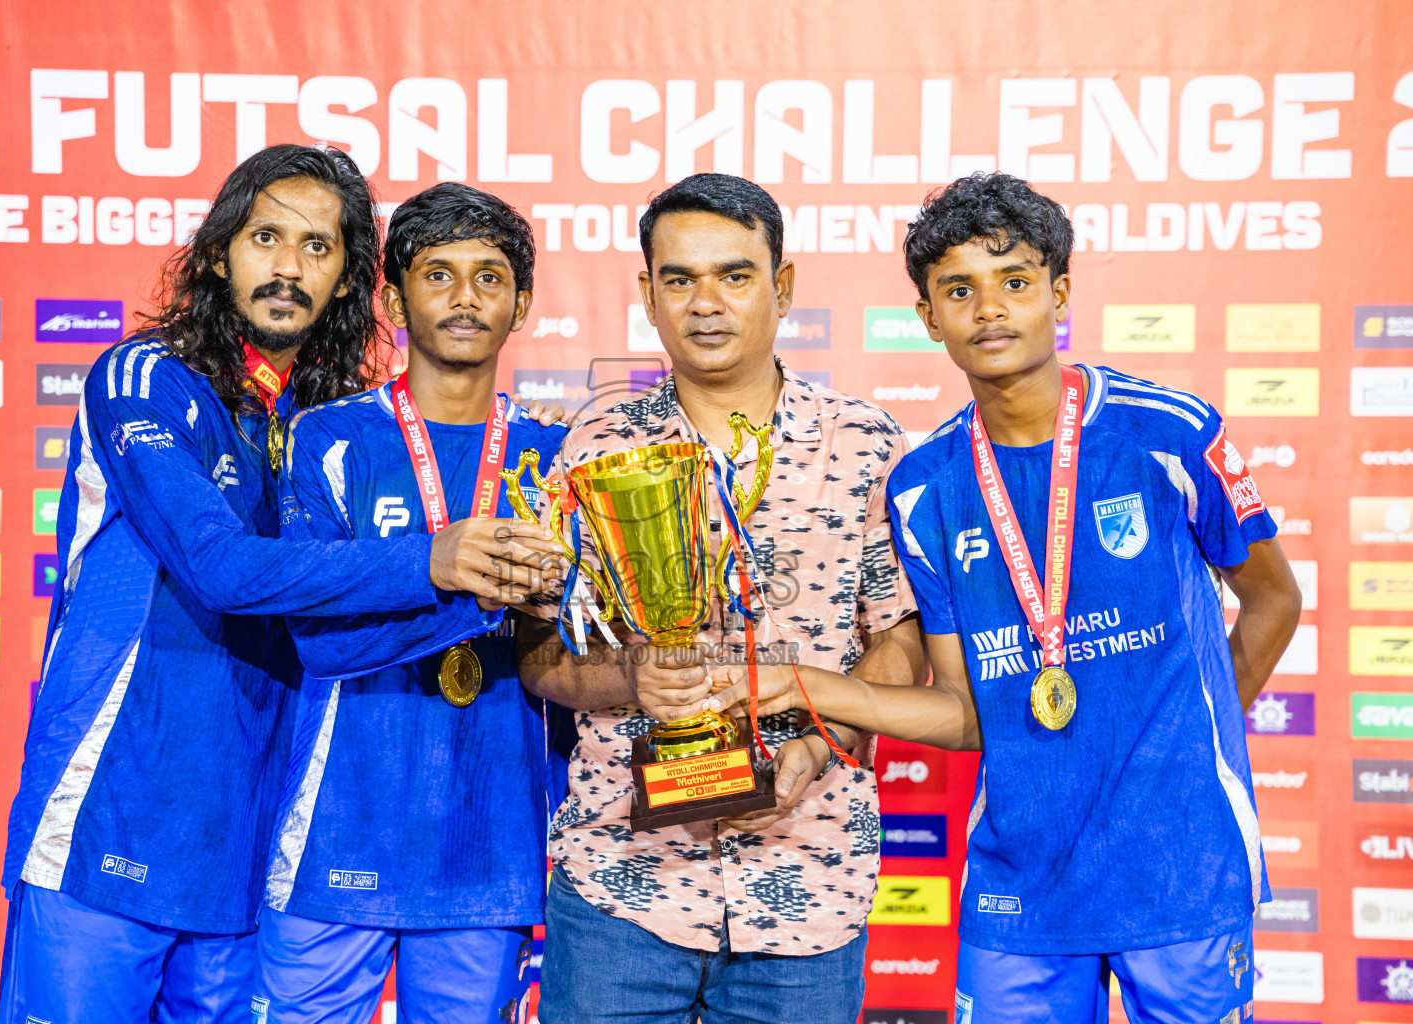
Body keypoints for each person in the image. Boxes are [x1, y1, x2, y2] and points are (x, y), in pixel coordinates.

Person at [706, 172, 1303, 1024]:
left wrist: (1185, 742)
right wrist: (799, 685)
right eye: (959, 290)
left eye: (1014, 282)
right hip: (1019, 868)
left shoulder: (1165, 433)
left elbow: (1274, 600)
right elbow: (963, 714)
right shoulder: (924, 487)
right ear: (927, 317)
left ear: (1057, 295)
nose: (989, 310)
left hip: (1176, 854)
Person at [0, 147, 559, 1024]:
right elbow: (217, 567)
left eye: (318, 248)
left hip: (250, 832)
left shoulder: (324, 425)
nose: (288, 267)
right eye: (266, 237)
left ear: (348, 282)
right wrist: (434, 563)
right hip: (112, 801)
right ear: (220, 251)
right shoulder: (145, 378)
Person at [517, 173, 927, 1024]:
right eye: (679, 279)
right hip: (621, 885)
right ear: (647, 295)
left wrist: (821, 740)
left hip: (809, 882)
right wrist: (632, 676)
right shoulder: (593, 448)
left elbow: (898, 641)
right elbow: (542, 660)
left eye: (735, 275)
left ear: (781, 286)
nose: (706, 303)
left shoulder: (865, 444)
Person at [252, 183, 568, 1024]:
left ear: (521, 304)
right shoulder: (326, 438)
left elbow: (577, 649)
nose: (465, 298)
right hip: (334, 830)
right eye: (438, 276)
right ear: (392, 298)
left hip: (490, 839)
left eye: (489, 278)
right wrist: (472, 590)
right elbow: (314, 642)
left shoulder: (556, 457)